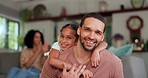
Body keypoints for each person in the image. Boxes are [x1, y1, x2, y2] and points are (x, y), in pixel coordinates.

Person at [40, 13, 124, 78]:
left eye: (97, 33)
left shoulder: (113, 63)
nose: (91, 36)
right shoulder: (56, 60)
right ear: (79, 30)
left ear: (102, 37)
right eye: (87, 30)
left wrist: (96, 51)